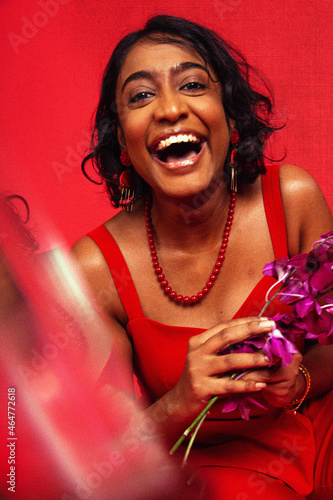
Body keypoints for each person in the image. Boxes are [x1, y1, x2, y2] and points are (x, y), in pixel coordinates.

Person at [71, 15, 333, 499]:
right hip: (196, 475)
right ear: (123, 142)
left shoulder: (292, 197)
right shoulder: (96, 267)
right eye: (141, 96)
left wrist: (298, 380)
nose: (170, 109)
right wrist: (179, 402)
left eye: (192, 85)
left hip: (318, 442)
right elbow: (98, 458)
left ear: (231, 118)